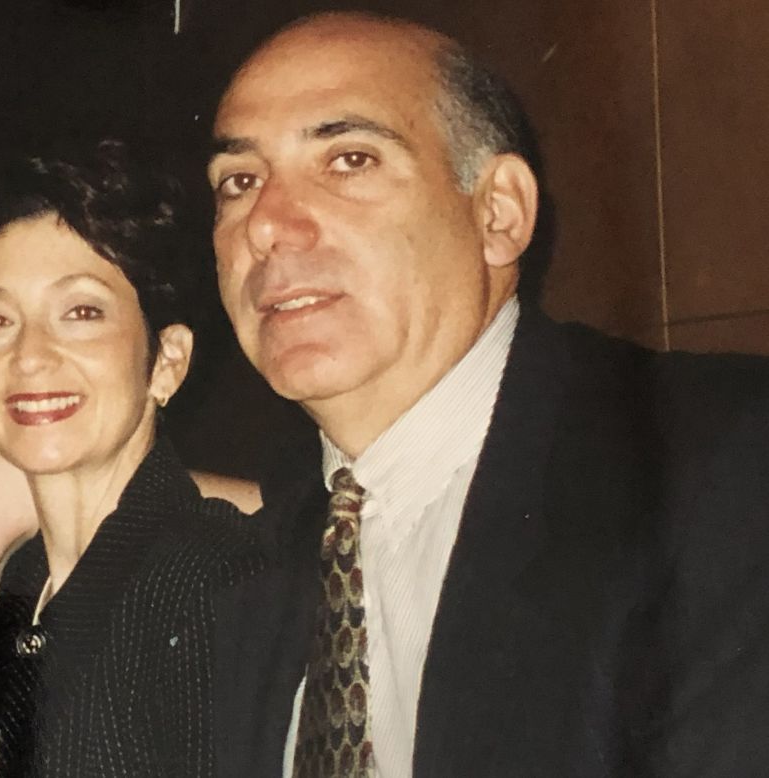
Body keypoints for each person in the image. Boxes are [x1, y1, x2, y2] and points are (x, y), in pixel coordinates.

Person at [203, 12, 769, 777]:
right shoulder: (253, 560)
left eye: (349, 160)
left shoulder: (714, 469)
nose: (265, 225)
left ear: (498, 213)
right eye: (238, 181)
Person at [0, 141, 266, 777]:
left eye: (81, 312)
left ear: (166, 361)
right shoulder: (22, 578)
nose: (29, 356)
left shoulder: (208, 583)